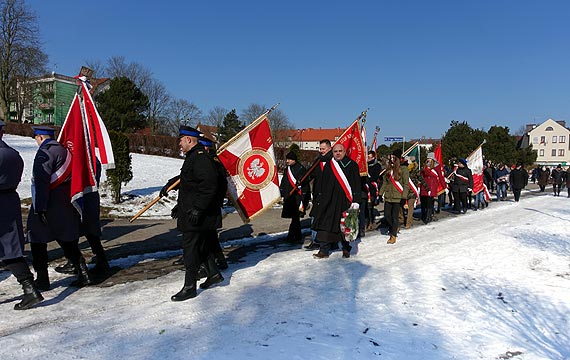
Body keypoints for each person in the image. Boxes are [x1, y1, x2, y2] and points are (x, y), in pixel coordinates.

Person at [27, 126, 92, 290]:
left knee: (37, 240)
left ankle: (42, 279)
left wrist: (39, 207)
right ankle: (83, 273)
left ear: (40, 137)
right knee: (67, 239)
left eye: (36, 137)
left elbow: (41, 181)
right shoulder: (64, 150)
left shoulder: (46, 151)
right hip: (65, 199)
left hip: (48, 201)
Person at [163, 126, 222, 301]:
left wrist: (198, 208)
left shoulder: (200, 158)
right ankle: (213, 273)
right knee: (201, 246)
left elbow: (209, 186)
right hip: (190, 212)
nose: (179, 145)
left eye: (180, 140)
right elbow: (190, 184)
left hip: (196, 215)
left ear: (189, 139)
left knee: (190, 249)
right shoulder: (193, 157)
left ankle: (189, 287)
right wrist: (170, 190)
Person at [0, 120, 43, 310]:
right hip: (9, 201)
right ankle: (30, 289)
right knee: (10, 249)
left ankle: (30, 290)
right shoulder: (13, 154)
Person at [55, 159, 110, 276]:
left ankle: (77, 262)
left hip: (83, 196)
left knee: (77, 231)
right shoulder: (92, 159)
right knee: (89, 231)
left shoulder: (86, 159)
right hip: (88, 196)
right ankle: (100, 260)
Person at [311, 144, 360, 258]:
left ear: (344, 152)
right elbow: (323, 182)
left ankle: (346, 248)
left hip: (345, 201)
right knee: (325, 224)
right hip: (329, 200)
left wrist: (356, 200)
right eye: (335, 151)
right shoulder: (329, 165)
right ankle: (324, 250)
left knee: (345, 225)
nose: (337, 153)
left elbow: (356, 184)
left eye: (340, 151)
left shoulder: (352, 165)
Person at [303, 139, 332, 251]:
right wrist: (302, 181)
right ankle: (315, 240)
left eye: (323, 149)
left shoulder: (333, 161)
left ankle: (328, 242)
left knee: (326, 221)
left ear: (329, 148)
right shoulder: (318, 161)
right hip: (317, 195)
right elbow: (310, 174)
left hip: (328, 196)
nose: (321, 151)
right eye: (320, 149)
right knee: (314, 218)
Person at [379, 149, 409, 244]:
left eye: (393, 157)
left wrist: (404, 197)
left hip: (398, 196)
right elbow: (385, 183)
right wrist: (380, 193)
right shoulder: (388, 169)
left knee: (395, 217)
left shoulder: (403, 169)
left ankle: (393, 235)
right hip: (388, 196)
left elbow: (406, 184)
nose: (391, 158)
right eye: (390, 157)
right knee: (387, 216)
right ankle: (395, 227)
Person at [279, 151, 309, 243]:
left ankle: (291, 236)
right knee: (294, 217)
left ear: (294, 160)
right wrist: (282, 192)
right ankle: (297, 235)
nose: (287, 161)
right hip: (289, 196)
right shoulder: (287, 169)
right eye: (287, 159)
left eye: (289, 159)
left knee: (295, 217)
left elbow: (305, 183)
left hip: (298, 197)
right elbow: (284, 181)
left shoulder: (301, 169)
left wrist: (304, 197)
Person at [365, 150, 382, 230]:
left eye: (369, 157)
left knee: (370, 207)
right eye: (367, 156)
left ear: (373, 157)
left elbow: (374, 177)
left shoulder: (377, 165)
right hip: (365, 188)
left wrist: (368, 179)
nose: (368, 158)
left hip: (372, 188)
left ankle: (371, 222)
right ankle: (366, 222)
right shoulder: (365, 165)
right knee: (365, 207)